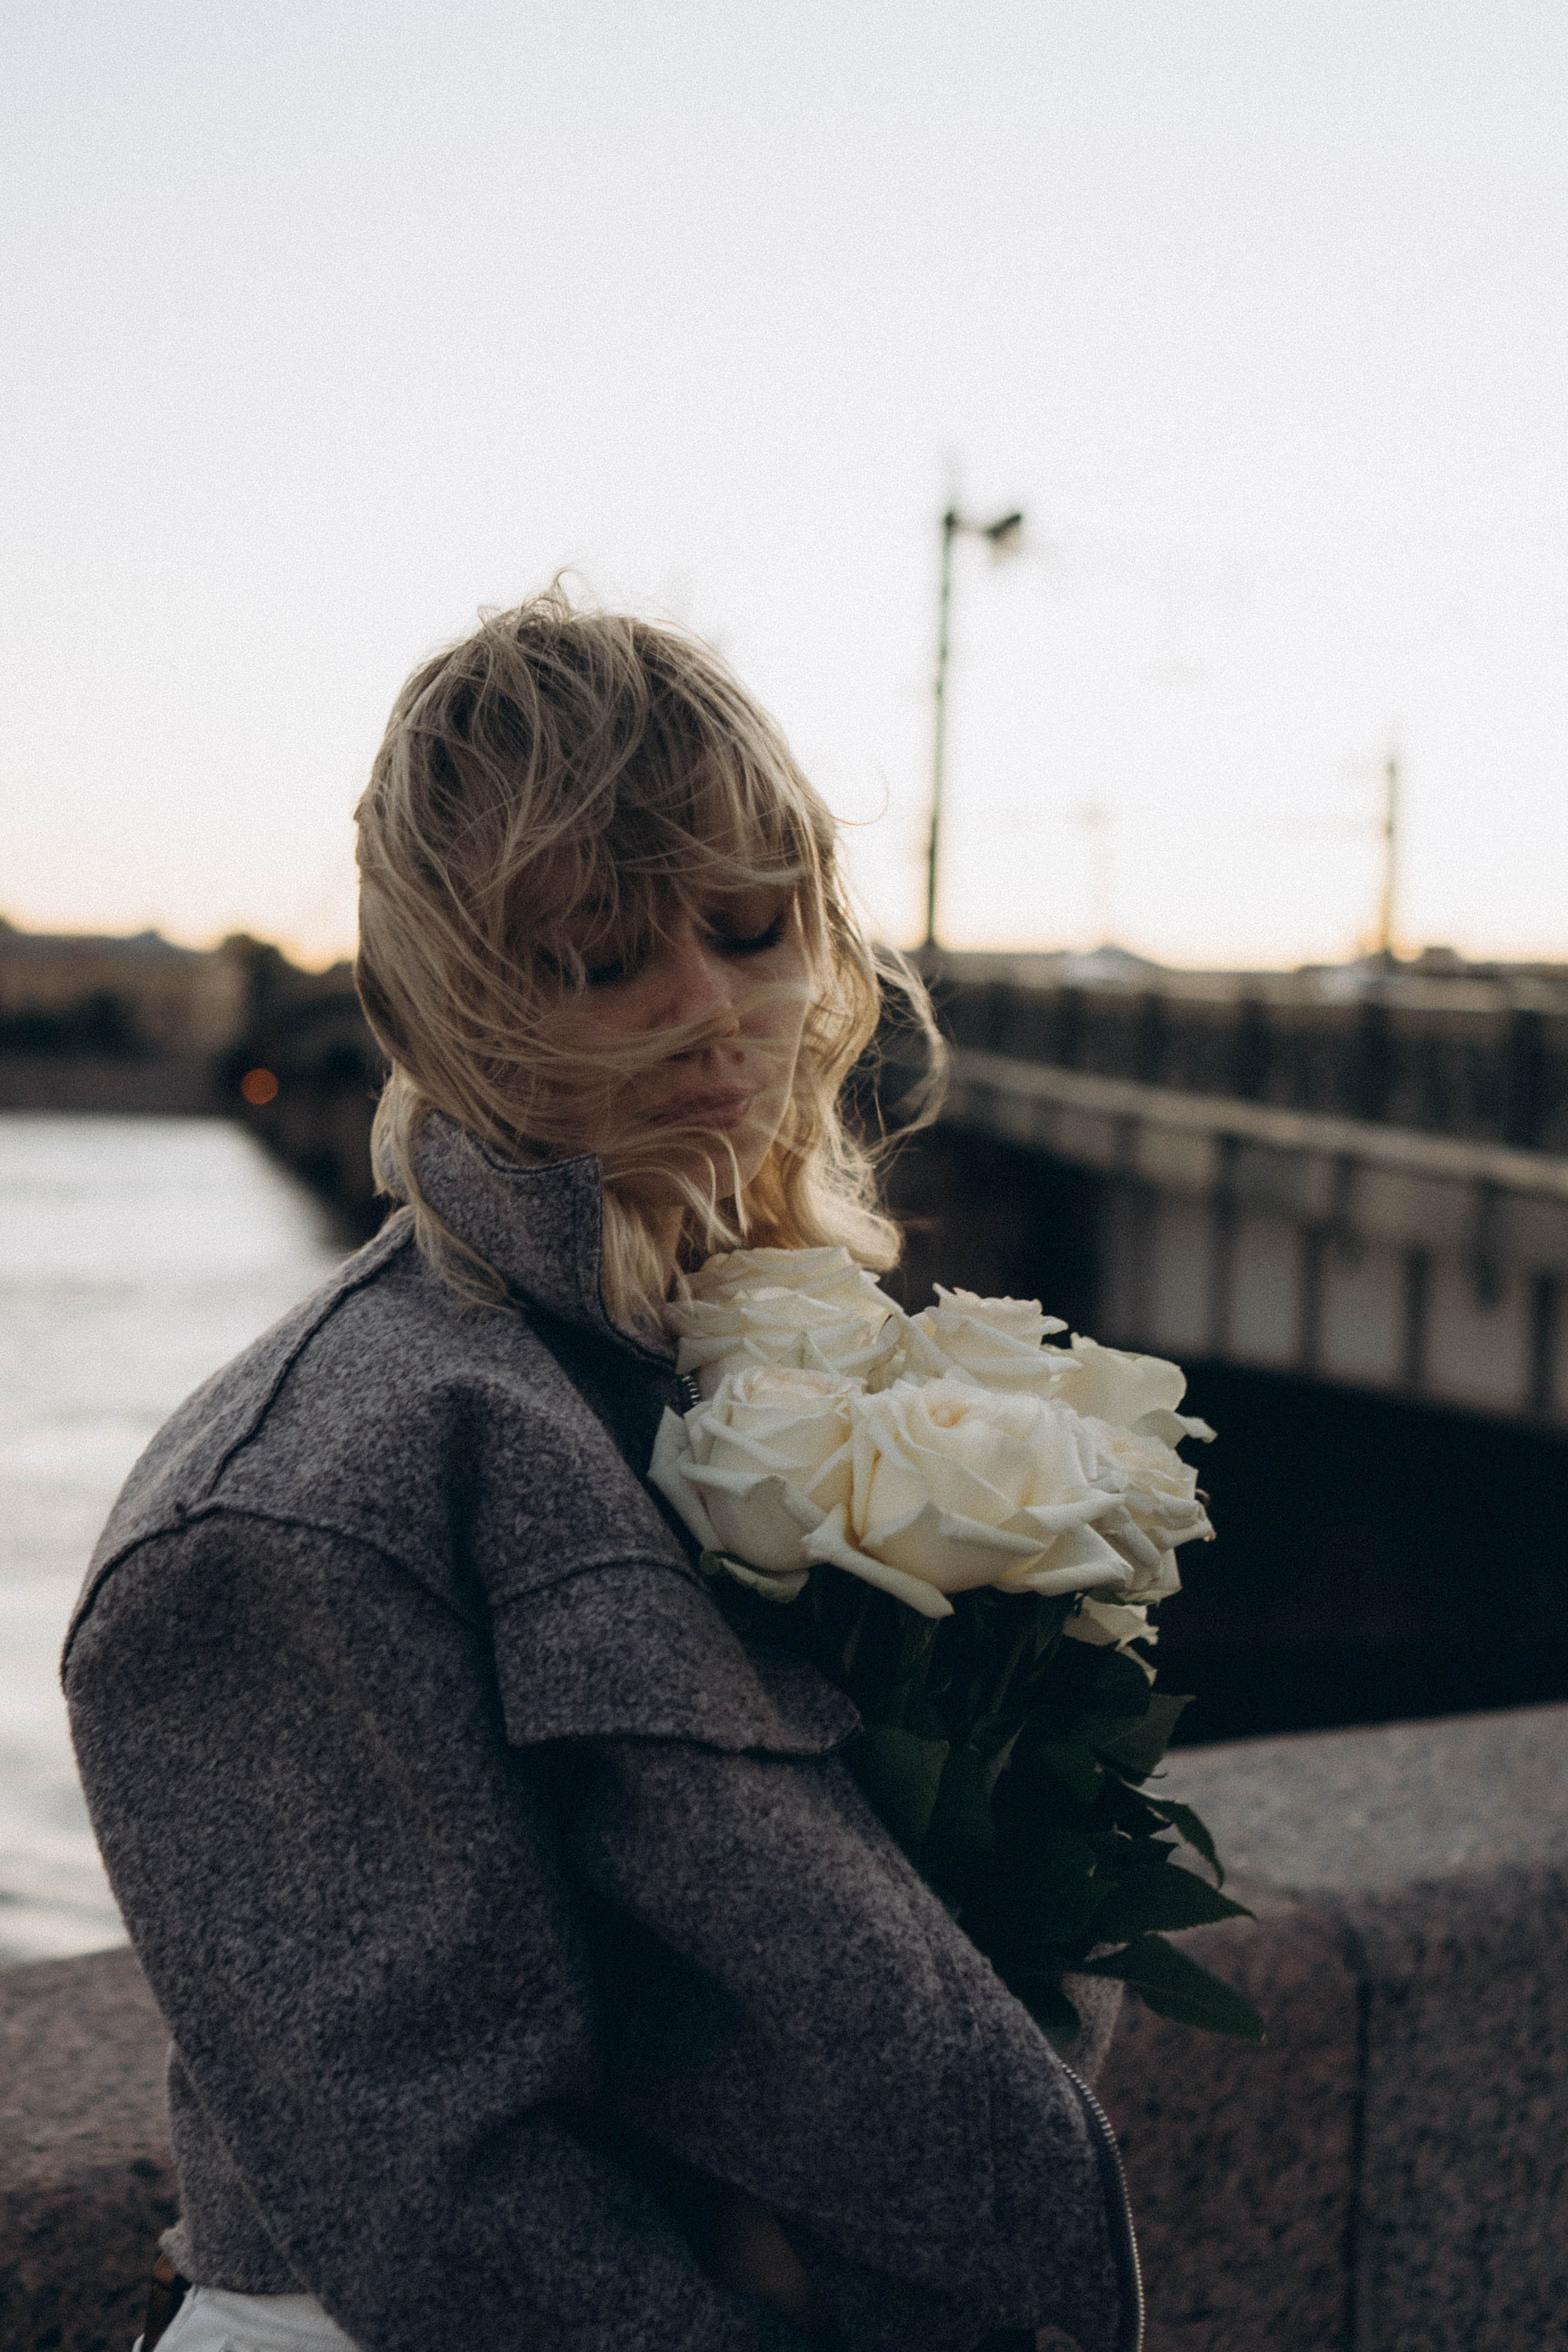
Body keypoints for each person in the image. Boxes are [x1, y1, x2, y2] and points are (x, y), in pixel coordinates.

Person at [64, 590, 1142, 2352]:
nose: (715, 1014)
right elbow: (437, 2209)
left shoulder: (782, 1363)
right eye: (600, 957)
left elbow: (982, 1900)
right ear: (453, 1004)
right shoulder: (290, 1506)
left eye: (750, 927)